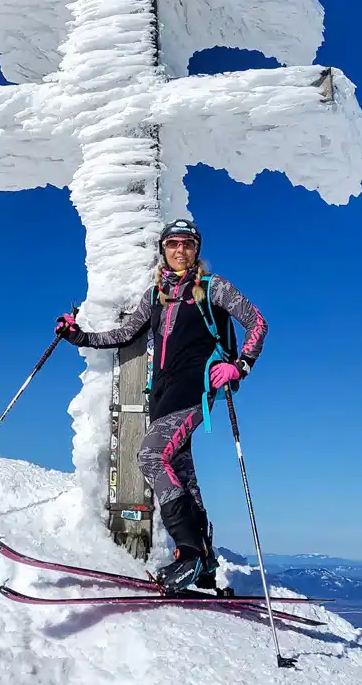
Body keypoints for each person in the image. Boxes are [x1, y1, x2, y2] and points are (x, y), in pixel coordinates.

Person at [55, 219, 268, 593]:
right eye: (173, 244)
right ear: (163, 250)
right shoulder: (156, 296)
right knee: (185, 479)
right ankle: (205, 565)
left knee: (150, 458)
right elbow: (127, 333)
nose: (180, 250)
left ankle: (188, 553)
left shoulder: (212, 287)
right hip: (162, 398)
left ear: (196, 250)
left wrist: (239, 365)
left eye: (187, 244)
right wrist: (78, 336)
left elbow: (257, 323)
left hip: (195, 393)